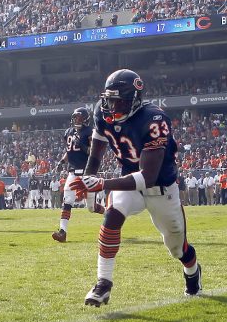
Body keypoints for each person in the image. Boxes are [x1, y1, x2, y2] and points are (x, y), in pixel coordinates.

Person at [70, 69, 202, 306]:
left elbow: (148, 177)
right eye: (109, 99)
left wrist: (102, 183)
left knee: (177, 248)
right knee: (111, 216)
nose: (112, 106)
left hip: (160, 188)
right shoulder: (102, 113)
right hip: (128, 182)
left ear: (134, 99)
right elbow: (96, 152)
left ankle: (193, 273)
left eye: (118, 100)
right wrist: (89, 184)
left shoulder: (154, 119)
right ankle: (103, 284)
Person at [52, 107, 101, 243]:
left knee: (91, 208)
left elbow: (94, 152)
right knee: (67, 200)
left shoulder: (90, 131)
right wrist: (62, 161)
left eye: (79, 117)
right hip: (73, 172)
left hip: (87, 172)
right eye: (75, 117)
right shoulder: (69, 132)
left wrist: (83, 146)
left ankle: (110, 214)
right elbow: (70, 151)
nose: (76, 120)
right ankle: (63, 232)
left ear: (85, 119)